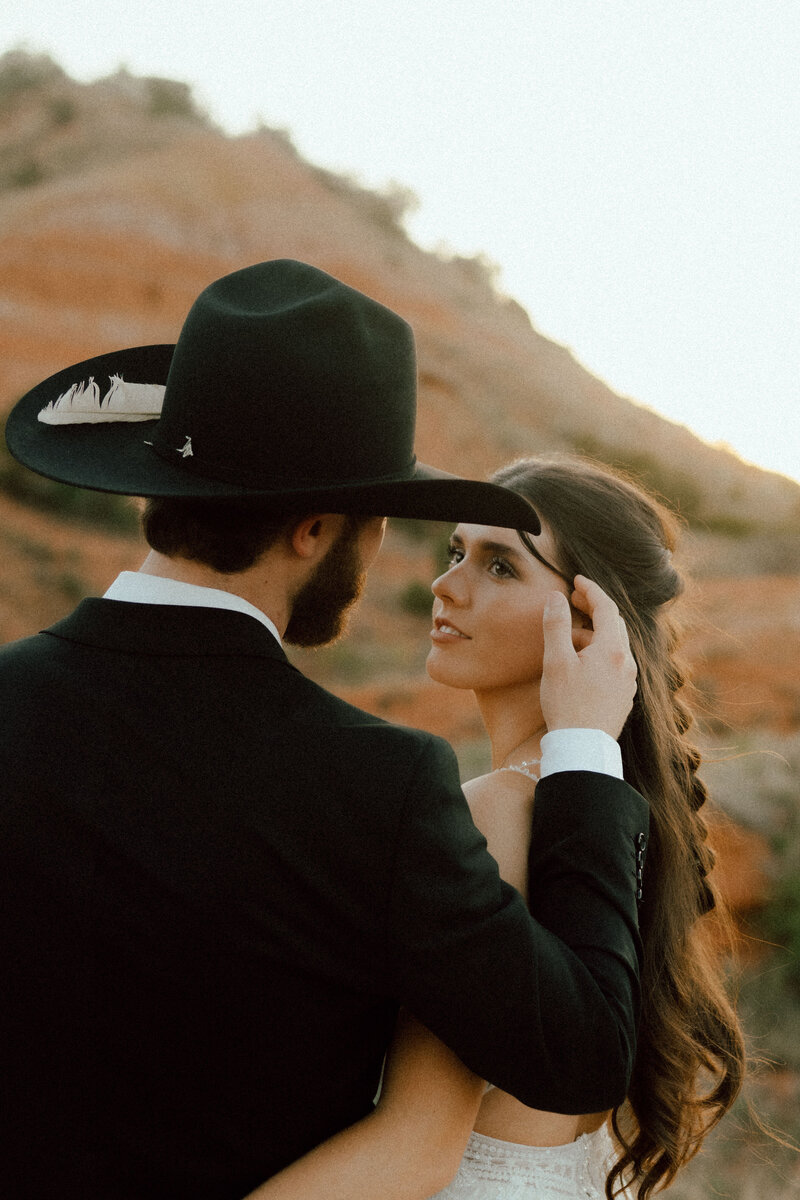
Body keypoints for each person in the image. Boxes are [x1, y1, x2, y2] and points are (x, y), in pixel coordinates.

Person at [0, 261, 646, 1199]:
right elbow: (584, 1052)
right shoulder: (380, 788)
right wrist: (587, 752)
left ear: (151, 494)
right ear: (315, 530)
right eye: (379, 519)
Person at [246, 455, 747, 1200]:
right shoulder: (605, 821)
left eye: (501, 566)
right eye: (456, 553)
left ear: (586, 619)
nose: (448, 586)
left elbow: (417, 1144)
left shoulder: (493, 814)